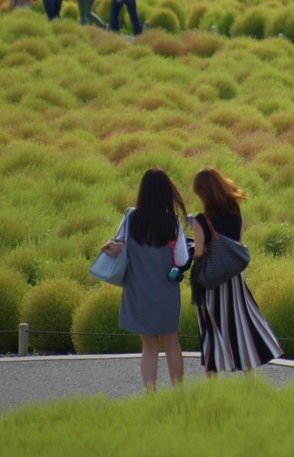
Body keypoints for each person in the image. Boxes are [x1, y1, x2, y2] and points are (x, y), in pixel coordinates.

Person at [101, 168, 190, 390]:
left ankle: (150, 397)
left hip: (138, 292)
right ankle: (179, 395)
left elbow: (119, 245)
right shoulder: (173, 222)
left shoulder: (131, 217)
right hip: (166, 293)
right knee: (172, 345)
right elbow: (180, 259)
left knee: (149, 348)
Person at [191, 167, 282, 375]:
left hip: (211, 283)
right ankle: (249, 377)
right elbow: (238, 243)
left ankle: (212, 383)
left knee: (212, 331)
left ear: (204, 192)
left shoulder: (200, 220)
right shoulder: (235, 212)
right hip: (235, 281)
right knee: (241, 327)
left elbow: (197, 254)